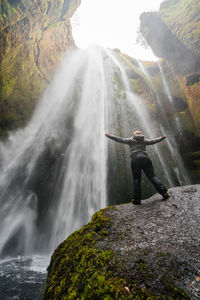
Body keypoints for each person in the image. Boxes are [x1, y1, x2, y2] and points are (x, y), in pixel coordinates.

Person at [105, 130, 169, 205]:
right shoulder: (144, 140)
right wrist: (162, 138)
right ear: (141, 134)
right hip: (145, 158)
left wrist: (109, 136)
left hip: (135, 159)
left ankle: (137, 199)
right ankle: (164, 192)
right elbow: (154, 141)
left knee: (137, 179)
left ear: (134, 134)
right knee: (152, 176)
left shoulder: (131, 140)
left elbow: (120, 139)